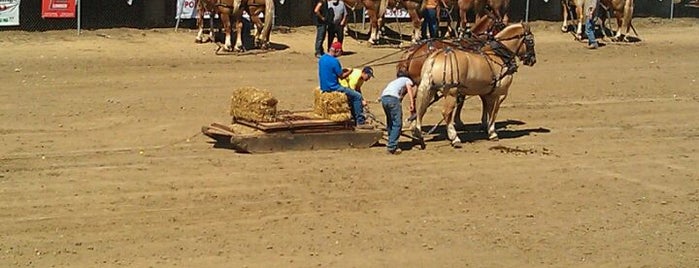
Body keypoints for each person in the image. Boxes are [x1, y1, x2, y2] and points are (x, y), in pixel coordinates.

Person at [318, 42, 373, 129]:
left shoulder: (322, 58)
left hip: (324, 86)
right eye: (340, 52)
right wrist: (350, 71)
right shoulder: (335, 61)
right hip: (334, 87)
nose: (341, 54)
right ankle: (360, 122)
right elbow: (342, 76)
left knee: (352, 96)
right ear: (337, 51)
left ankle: (353, 116)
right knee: (357, 96)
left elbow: (331, 72)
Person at [380, 70, 416, 155]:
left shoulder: (394, 82)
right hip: (393, 99)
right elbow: (409, 89)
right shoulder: (407, 80)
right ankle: (392, 147)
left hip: (384, 98)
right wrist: (412, 102)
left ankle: (391, 141)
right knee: (397, 123)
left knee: (390, 122)